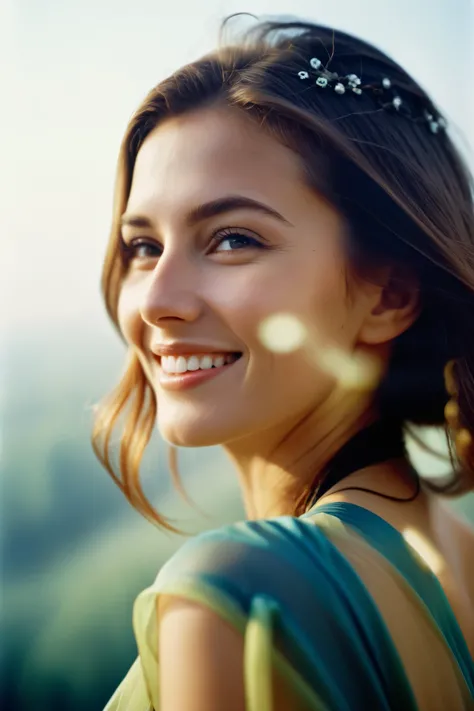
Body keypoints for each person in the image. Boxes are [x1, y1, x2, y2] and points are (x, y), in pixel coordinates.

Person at [94, 16, 474, 711]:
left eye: (233, 239)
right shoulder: (459, 548)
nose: (157, 301)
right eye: (143, 246)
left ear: (388, 293)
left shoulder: (234, 595)